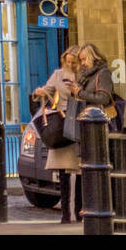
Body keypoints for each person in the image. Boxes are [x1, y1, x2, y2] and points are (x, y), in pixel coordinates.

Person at [32, 45, 81, 223]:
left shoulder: (83, 76)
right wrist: (39, 92)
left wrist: (77, 90)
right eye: (67, 60)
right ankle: (66, 213)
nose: (69, 63)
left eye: (73, 61)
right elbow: (48, 89)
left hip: (77, 122)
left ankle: (80, 211)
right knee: (63, 172)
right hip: (61, 124)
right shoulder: (58, 74)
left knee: (81, 170)